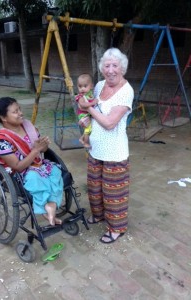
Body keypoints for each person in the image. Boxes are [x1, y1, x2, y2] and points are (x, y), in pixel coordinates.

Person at [79, 48, 134, 243]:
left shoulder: (126, 91)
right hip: (96, 148)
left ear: (122, 68)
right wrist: (85, 121)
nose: (110, 70)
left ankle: (116, 228)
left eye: (115, 65)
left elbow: (110, 123)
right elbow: (92, 112)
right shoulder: (100, 85)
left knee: (113, 192)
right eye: (107, 66)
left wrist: (89, 109)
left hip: (114, 152)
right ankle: (99, 215)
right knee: (94, 188)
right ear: (102, 68)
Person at [0, 97, 63, 226]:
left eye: (20, 109)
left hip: (37, 164)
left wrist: (43, 145)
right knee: (35, 177)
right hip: (19, 173)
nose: (20, 113)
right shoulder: (1, 141)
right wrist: (35, 150)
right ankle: (46, 209)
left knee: (56, 171)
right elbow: (17, 167)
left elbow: (42, 149)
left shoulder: (28, 127)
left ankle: (51, 206)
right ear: (3, 118)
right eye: (15, 111)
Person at [75, 73, 98, 148]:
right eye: (80, 86)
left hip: (88, 114)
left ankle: (82, 139)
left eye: (85, 86)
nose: (82, 89)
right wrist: (93, 102)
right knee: (88, 130)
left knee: (89, 129)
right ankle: (85, 143)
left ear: (91, 86)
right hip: (83, 115)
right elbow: (82, 105)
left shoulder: (90, 94)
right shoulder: (81, 96)